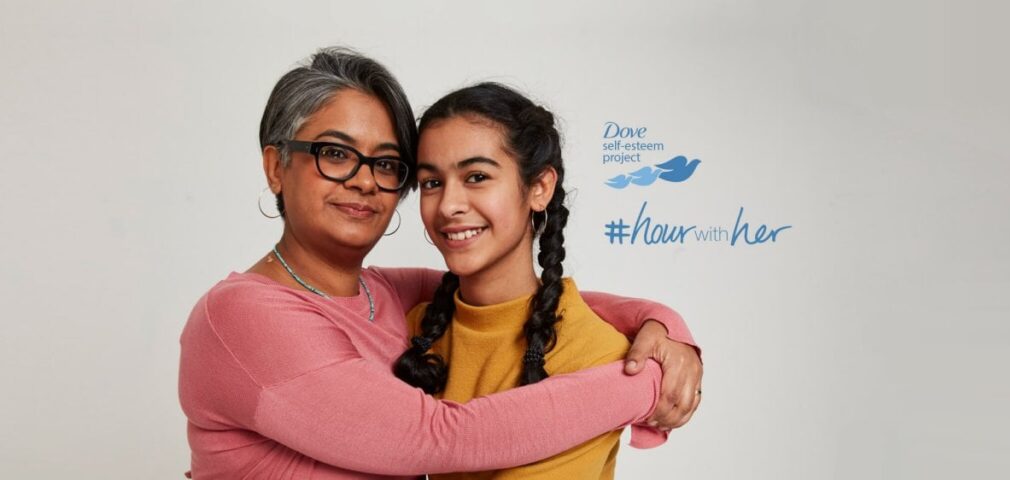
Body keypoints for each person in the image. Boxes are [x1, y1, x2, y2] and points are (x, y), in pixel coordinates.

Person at [178, 47, 702, 479]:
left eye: (385, 164)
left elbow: (508, 299)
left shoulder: (386, 296)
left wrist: (661, 323)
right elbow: (434, 437)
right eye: (335, 153)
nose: (364, 180)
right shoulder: (241, 315)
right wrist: (646, 383)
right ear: (276, 166)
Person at [396, 83, 671, 479]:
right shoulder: (413, 332)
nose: (448, 205)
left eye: (476, 176)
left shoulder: (597, 354)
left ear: (540, 188)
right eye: (431, 183)